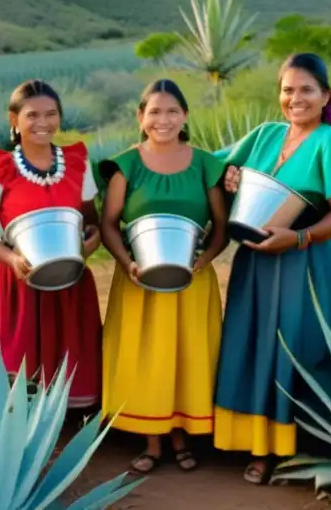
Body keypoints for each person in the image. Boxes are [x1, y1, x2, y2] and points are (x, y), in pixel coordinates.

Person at [211, 53, 331, 485]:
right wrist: (229, 176)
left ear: (326, 96)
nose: (296, 98)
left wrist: (299, 238)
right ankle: (256, 441)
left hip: (308, 262)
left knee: (298, 345)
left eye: (307, 90)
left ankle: (294, 447)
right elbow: (208, 167)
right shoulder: (265, 135)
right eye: (288, 90)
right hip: (257, 262)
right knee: (254, 343)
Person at [99, 79, 228, 475]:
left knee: (188, 354)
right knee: (148, 354)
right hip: (139, 280)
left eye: (172, 111)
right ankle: (152, 440)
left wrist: (205, 259)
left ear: (185, 116)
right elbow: (108, 224)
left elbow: (221, 225)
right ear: (141, 117)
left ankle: (183, 436)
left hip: (192, 279)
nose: (163, 120)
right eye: (154, 111)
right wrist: (128, 264)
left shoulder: (206, 164)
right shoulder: (126, 165)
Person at [0, 79, 103, 409]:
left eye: (50, 114)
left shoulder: (77, 162)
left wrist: (88, 246)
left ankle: (65, 427)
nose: (43, 122)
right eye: (32, 115)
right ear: (14, 120)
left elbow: (91, 222)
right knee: (20, 372)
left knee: (67, 362)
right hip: (20, 281)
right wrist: (11, 259)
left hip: (68, 281)